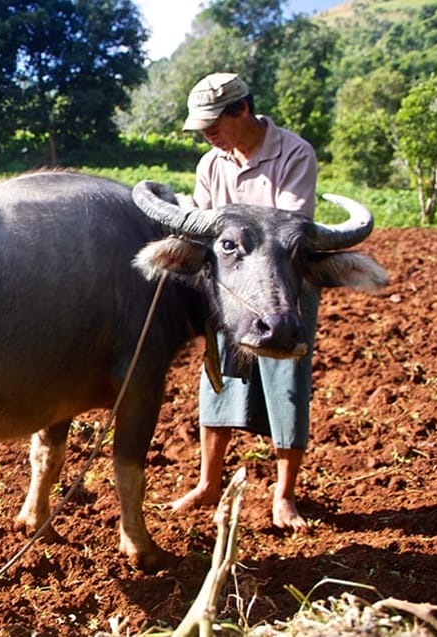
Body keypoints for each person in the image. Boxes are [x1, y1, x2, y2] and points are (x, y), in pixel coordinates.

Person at [170, 72, 319, 530]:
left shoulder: (294, 153)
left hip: (281, 288)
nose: (207, 134)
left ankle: (284, 495)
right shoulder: (210, 164)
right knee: (217, 381)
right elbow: (201, 225)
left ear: (242, 110)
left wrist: (228, 229)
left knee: (286, 384)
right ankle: (208, 483)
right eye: (202, 127)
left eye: (214, 122)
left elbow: (286, 227)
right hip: (231, 291)